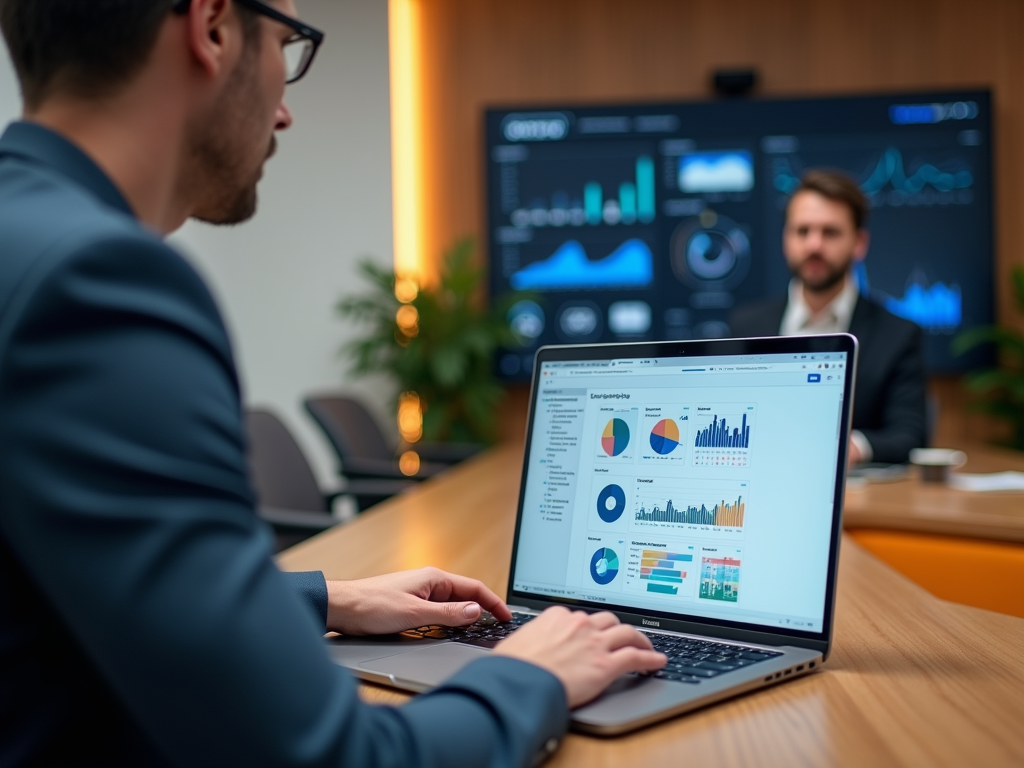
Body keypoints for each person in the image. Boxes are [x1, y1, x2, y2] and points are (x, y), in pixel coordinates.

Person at [0, 1, 666, 766]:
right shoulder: (97, 284)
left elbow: (50, 589)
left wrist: (326, 600)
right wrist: (527, 676)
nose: (284, 111)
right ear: (213, 26)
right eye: (289, 43)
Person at [730, 169, 928, 465]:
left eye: (830, 232)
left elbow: (909, 435)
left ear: (859, 243)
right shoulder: (745, 326)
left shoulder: (899, 335)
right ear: (786, 239)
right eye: (803, 231)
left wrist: (852, 448)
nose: (814, 245)